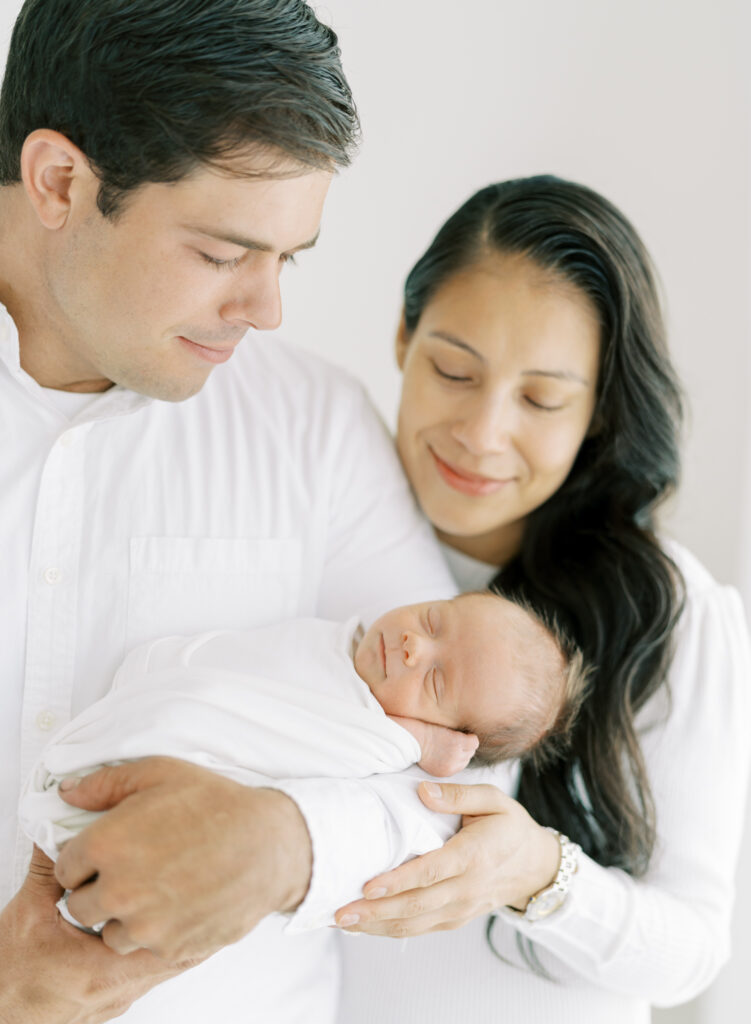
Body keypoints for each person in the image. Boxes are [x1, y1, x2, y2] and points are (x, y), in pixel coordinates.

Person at [0, 1, 479, 1022]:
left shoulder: (311, 425)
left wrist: (282, 844)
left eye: (288, 257)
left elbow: (460, 783)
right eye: (223, 255)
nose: (265, 310)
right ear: (60, 182)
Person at [333, 176, 751, 1022]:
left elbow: (691, 954)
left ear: (596, 412)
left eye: (540, 399)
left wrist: (534, 873)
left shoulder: (665, 611)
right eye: (454, 370)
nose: (482, 434)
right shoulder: (323, 541)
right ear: (402, 336)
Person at [20, 592, 588, 882]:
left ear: (452, 739)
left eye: (436, 681)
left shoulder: (373, 735)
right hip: (148, 714)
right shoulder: (340, 640)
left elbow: (324, 746)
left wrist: (413, 745)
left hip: (173, 785)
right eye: (435, 620)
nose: (415, 646)